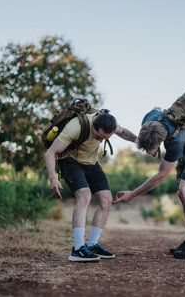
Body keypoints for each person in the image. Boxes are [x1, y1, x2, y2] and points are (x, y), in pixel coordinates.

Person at [113, 105, 185, 259]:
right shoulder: (148, 119)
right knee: (181, 192)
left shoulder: (175, 141)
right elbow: (157, 107)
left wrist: (133, 194)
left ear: (163, 140)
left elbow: (161, 175)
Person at [45, 110, 136, 262]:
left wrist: (141, 142)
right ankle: (78, 249)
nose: (101, 141)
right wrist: (53, 178)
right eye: (99, 137)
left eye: (105, 139)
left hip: (91, 162)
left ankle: (92, 245)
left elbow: (123, 132)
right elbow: (50, 152)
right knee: (84, 195)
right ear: (93, 124)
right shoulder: (76, 127)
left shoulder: (109, 123)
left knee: (106, 199)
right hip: (70, 160)